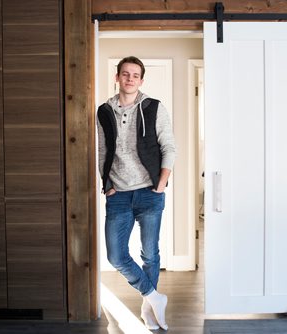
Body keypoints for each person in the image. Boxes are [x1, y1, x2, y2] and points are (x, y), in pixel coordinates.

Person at [97, 56, 176, 330]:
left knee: (150, 254)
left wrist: (162, 182)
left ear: (141, 80)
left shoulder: (154, 108)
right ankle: (154, 296)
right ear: (117, 77)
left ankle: (150, 312)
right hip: (118, 193)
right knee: (116, 256)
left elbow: (169, 147)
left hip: (149, 191)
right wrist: (106, 183)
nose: (130, 79)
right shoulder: (104, 111)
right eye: (125, 74)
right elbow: (102, 151)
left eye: (135, 75)